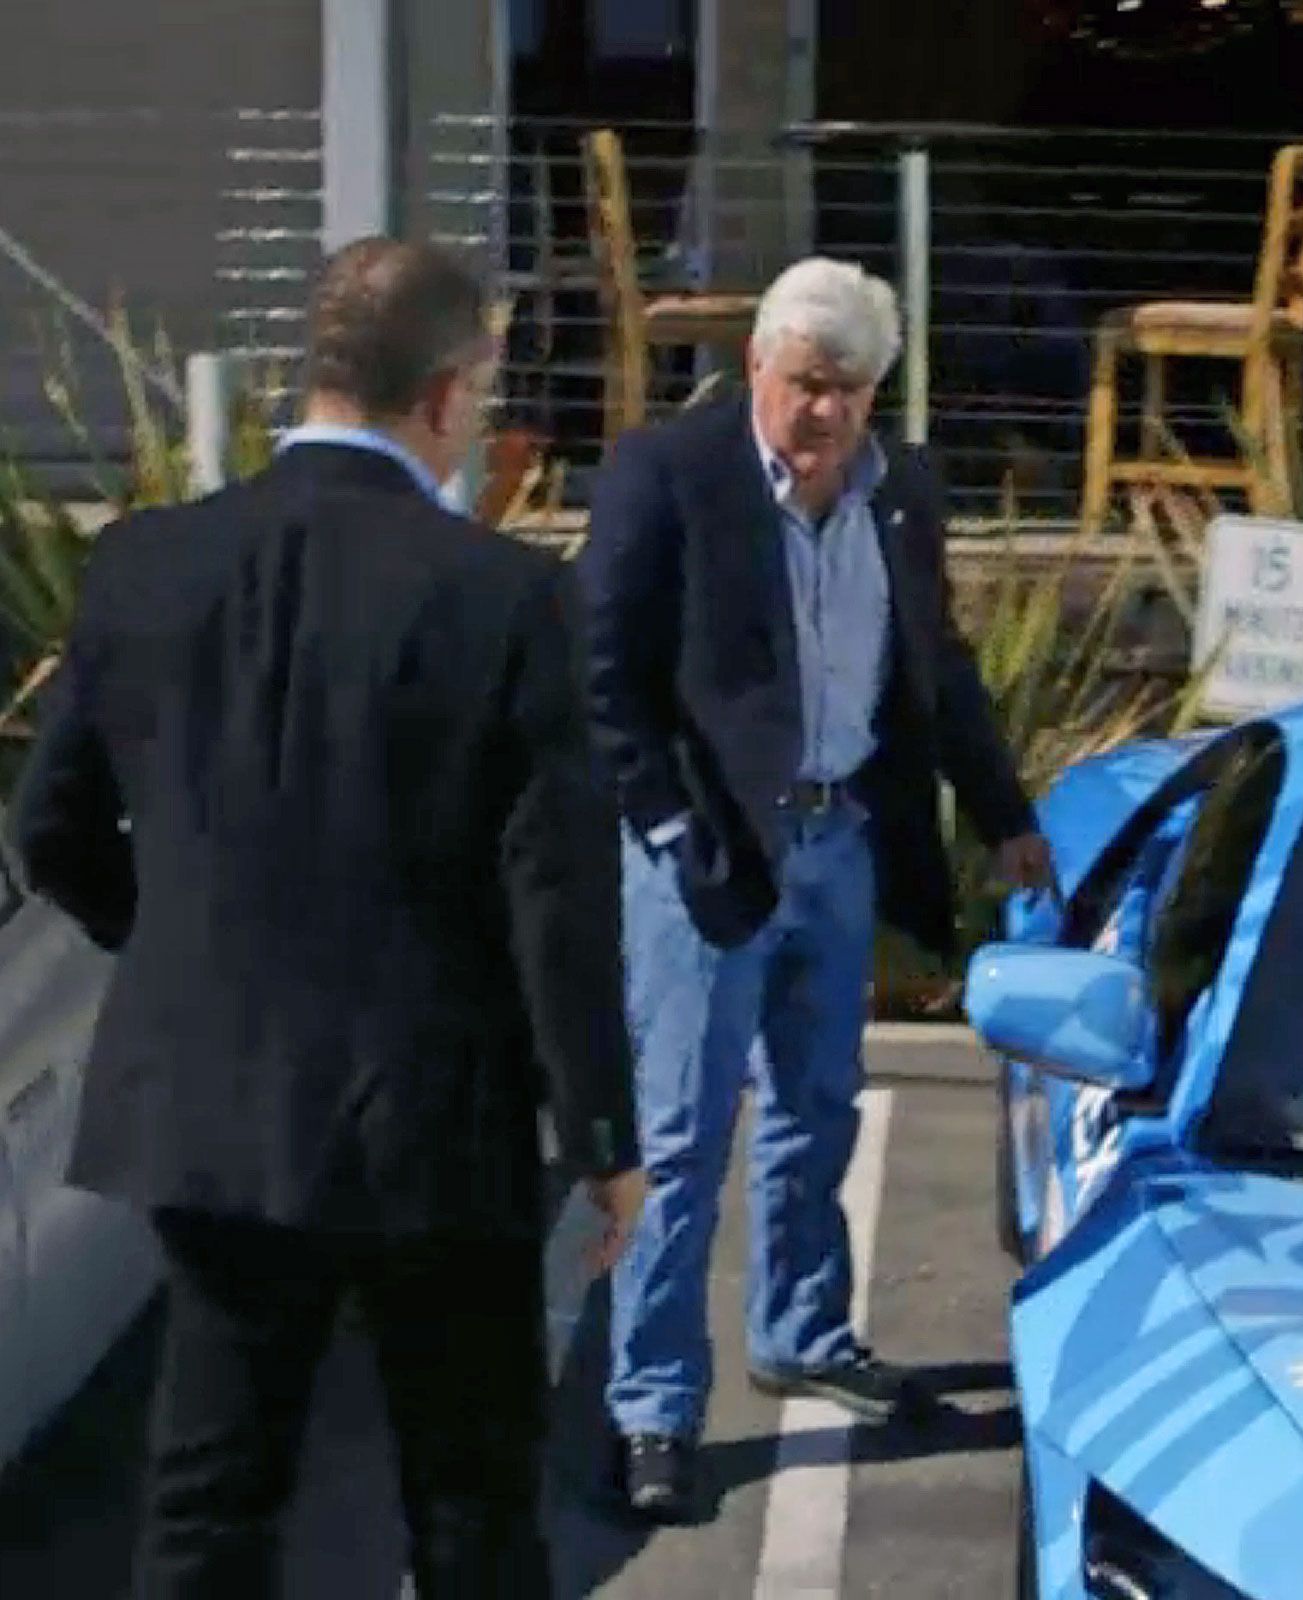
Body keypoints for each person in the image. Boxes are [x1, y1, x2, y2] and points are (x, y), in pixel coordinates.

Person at [8, 237, 647, 1597]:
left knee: (208, 1498)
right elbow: (559, 895)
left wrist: (180, 945)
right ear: (451, 391)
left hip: (213, 1107)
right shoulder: (506, 595)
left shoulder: (145, 566)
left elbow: (48, 830)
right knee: (470, 1503)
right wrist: (602, 1135)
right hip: (436, 1117)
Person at [576, 255, 1054, 1522]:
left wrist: (1002, 811)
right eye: (806, 385)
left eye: (851, 390)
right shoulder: (667, 477)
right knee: (680, 1139)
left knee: (818, 1105)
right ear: (755, 368)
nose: (828, 413)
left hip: (841, 841)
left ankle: (801, 1329)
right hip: (714, 852)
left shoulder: (902, 491)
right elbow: (603, 677)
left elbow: (936, 663)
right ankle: (652, 1409)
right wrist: (672, 829)